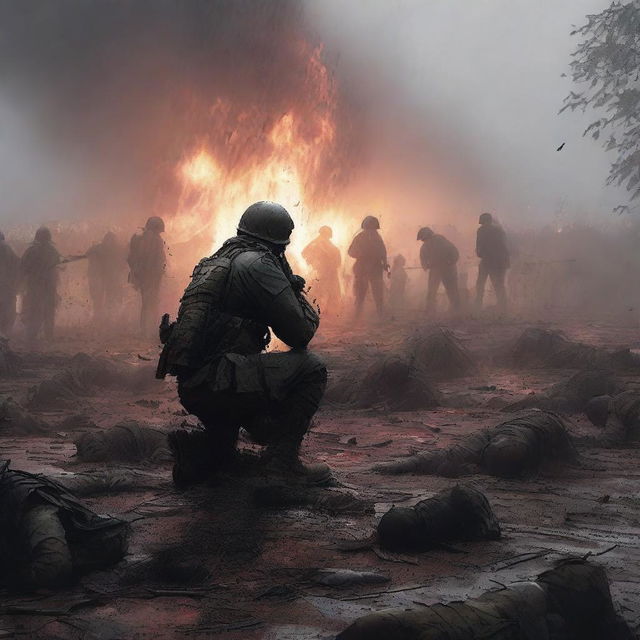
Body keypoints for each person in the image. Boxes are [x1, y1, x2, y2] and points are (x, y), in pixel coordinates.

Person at [157, 201, 331, 486]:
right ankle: (282, 465)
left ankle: (208, 458)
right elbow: (300, 334)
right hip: (219, 383)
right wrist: (292, 286)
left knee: (241, 370)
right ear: (279, 241)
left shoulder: (215, 261)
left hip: (196, 385)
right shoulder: (259, 264)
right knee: (312, 368)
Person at [20, 226, 61, 344]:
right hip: (49, 286)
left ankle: (31, 338)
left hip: (34, 287)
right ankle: (48, 337)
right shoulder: (53, 251)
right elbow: (60, 266)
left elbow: (22, 268)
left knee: (34, 311)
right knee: (49, 312)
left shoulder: (31, 251)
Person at [128, 216, 166, 336]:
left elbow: (130, 258)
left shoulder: (140, 238)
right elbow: (155, 258)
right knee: (151, 303)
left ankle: (145, 330)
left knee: (146, 303)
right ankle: (150, 330)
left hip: (144, 276)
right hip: (151, 276)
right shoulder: (154, 240)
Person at [348, 215, 388, 319]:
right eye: (370, 228)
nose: (372, 231)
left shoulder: (377, 238)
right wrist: (361, 254)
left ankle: (380, 315)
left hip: (375, 269)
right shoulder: (360, 237)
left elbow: (383, 252)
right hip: (362, 269)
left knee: (378, 293)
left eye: (373, 229)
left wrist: (385, 263)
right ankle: (357, 316)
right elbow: (351, 252)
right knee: (360, 294)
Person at [417, 227, 460, 313]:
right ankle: (456, 309)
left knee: (435, 291)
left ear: (426, 237)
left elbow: (454, 253)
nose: (423, 241)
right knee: (450, 290)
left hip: (445, 269)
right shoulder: (439, 241)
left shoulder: (436, 242)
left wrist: (426, 265)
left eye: (423, 239)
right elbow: (455, 252)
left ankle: (432, 309)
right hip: (444, 269)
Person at [302, 225, 342, 317]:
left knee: (330, 289)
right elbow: (305, 253)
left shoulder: (327, 244)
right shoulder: (316, 243)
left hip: (329, 270)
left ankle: (327, 309)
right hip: (323, 270)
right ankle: (316, 309)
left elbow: (336, 257)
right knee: (321, 290)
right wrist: (314, 262)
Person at [86, 232, 126, 323]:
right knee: (98, 299)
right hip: (100, 277)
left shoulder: (117, 249)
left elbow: (122, 262)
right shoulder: (98, 248)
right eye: (108, 240)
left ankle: (107, 318)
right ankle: (98, 318)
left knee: (110, 298)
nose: (110, 242)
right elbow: (88, 253)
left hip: (110, 278)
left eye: (111, 240)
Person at [475, 212, 509, 313]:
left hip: (488, 260)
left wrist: (480, 253)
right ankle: (503, 306)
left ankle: (478, 306)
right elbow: (504, 246)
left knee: (481, 284)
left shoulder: (481, 230)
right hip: (499, 261)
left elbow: (479, 247)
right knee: (498, 284)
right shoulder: (499, 230)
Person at [0, 231, 20, 335]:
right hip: (6, 286)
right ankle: (5, 335)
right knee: (8, 311)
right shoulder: (8, 247)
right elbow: (18, 264)